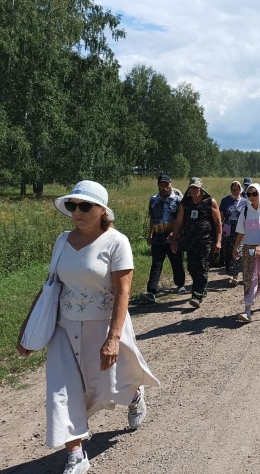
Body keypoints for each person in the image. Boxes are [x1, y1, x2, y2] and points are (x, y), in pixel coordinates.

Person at [16, 180, 159, 474]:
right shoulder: (62, 240)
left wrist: (113, 338)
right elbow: (50, 286)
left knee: (107, 387)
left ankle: (134, 395)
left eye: (84, 206)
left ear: (102, 209)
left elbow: (123, 293)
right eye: (72, 205)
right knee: (62, 390)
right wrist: (27, 331)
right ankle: (76, 454)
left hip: (103, 327)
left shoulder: (117, 242)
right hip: (63, 329)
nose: (77, 211)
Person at [170, 177, 222, 308]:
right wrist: (174, 239)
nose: (193, 190)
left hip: (205, 241)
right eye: (191, 188)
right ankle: (202, 290)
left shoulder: (210, 202)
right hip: (189, 241)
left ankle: (197, 295)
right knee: (192, 268)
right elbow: (179, 222)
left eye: (196, 188)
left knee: (202, 266)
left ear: (201, 189)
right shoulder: (185, 203)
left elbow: (218, 223)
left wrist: (219, 241)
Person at [233, 182, 260, 322]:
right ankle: (247, 309)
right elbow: (240, 231)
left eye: (254, 194)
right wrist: (235, 247)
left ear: (259, 194)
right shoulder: (245, 211)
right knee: (249, 276)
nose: (252, 197)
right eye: (249, 194)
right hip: (249, 248)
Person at [143, 174, 185, 303]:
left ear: (171, 183)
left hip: (173, 236)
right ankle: (151, 291)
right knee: (156, 264)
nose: (165, 187)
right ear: (158, 185)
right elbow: (152, 218)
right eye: (162, 184)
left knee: (177, 261)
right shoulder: (153, 200)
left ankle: (180, 285)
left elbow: (182, 219)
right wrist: (150, 234)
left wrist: (179, 235)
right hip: (158, 236)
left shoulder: (178, 200)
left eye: (167, 184)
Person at [219, 181, 248, 287]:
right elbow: (221, 216)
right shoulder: (225, 200)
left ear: (240, 190)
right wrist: (220, 229)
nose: (236, 192)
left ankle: (235, 275)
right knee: (229, 250)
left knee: (238, 249)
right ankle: (230, 272)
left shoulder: (245, 201)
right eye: (233, 190)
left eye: (237, 189)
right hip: (228, 228)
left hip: (241, 229)